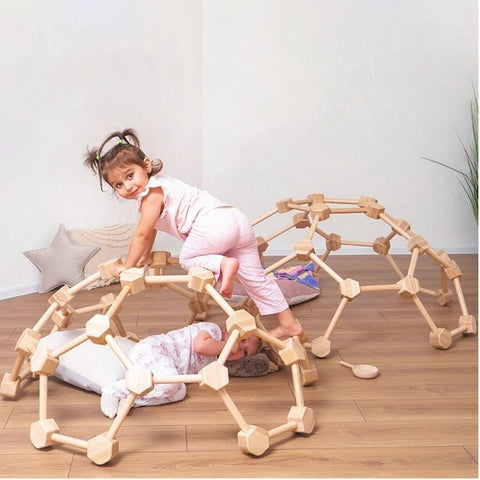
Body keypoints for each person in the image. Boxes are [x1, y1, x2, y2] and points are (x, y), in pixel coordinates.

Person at [84, 128, 305, 339]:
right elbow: (149, 232)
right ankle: (289, 324)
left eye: (130, 176)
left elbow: (140, 234)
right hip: (236, 220)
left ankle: (223, 265)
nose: (127, 186)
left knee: (188, 258)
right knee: (256, 280)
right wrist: (142, 258)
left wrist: (128, 266)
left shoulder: (151, 195)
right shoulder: (161, 186)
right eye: (118, 185)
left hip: (213, 226)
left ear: (147, 165)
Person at [100, 321, 262, 418]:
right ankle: (113, 389)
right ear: (229, 330)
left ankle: (132, 399)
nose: (239, 347)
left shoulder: (217, 362)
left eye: (245, 351)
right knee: (171, 383)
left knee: (180, 392)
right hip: (154, 349)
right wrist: (229, 345)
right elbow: (200, 346)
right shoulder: (213, 330)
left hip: (166, 371)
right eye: (242, 340)